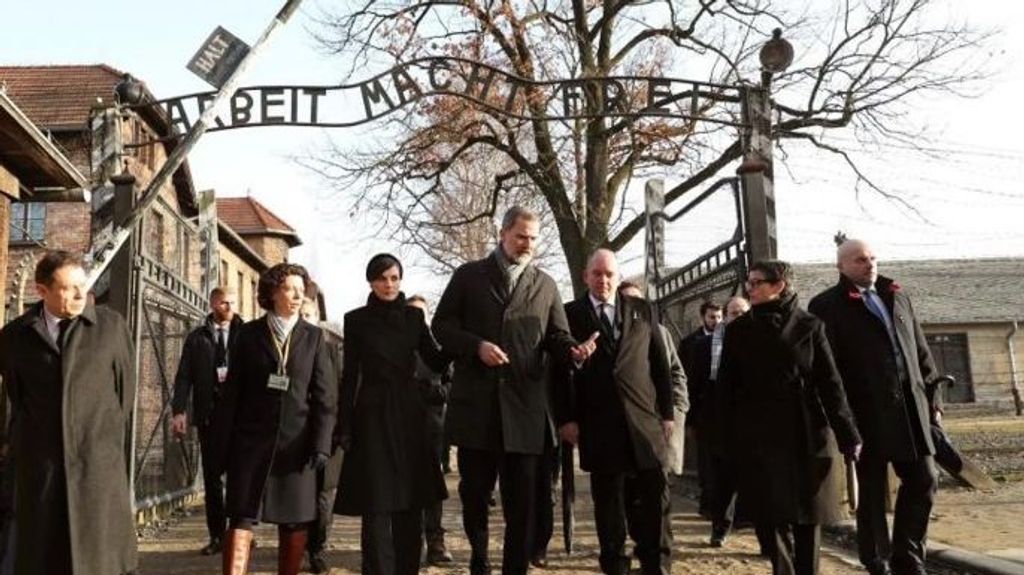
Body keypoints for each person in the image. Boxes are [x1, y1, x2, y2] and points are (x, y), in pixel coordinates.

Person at [433, 206, 596, 575]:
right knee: (474, 495)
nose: (527, 244)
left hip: (525, 410)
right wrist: (476, 346)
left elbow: (556, 334)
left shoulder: (546, 284)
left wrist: (573, 350)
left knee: (522, 502)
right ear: (503, 233)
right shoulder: (469, 276)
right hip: (478, 409)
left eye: (534, 239)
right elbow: (441, 326)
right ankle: (479, 556)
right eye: (521, 236)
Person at [718, 260, 861, 575]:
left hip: (806, 432)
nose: (749, 288)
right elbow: (726, 388)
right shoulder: (739, 331)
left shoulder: (810, 326)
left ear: (778, 285)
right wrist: (723, 435)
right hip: (759, 436)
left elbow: (830, 383)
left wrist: (848, 433)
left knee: (807, 516)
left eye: (756, 283)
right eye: (749, 283)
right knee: (771, 515)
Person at [0, 250, 137, 575]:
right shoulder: (15, 337)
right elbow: (16, 399)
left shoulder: (110, 328)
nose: (80, 294)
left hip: (97, 467)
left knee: (100, 558)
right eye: (68, 287)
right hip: (42, 469)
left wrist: (98, 440)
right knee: (44, 557)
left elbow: (125, 394)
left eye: (82, 285)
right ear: (42, 291)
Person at [808, 240, 940, 575]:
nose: (870, 264)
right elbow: (828, 369)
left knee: (924, 478)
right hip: (866, 414)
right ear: (841, 267)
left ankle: (908, 557)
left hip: (911, 410)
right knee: (871, 491)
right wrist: (843, 421)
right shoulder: (827, 306)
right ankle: (876, 559)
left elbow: (920, 351)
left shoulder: (897, 295)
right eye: (860, 260)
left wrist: (933, 399)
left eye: (872, 258)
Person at [555, 250, 674, 575]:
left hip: (644, 425)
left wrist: (667, 414)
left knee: (653, 503)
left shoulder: (641, 310)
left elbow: (660, 366)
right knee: (609, 508)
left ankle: (656, 565)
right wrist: (566, 418)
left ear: (618, 277)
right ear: (585, 277)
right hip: (599, 426)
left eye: (609, 274)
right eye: (597, 274)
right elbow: (558, 372)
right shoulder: (568, 315)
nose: (603, 280)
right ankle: (615, 566)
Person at [215, 263, 336, 575]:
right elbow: (232, 395)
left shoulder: (313, 338)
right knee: (241, 515)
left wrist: (321, 445)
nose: (297, 296)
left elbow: (325, 398)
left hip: (296, 445)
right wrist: (223, 445)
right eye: (288, 289)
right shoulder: (248, 335)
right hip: (251, 442)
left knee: (295, 519)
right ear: (271, 292)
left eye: (301, 290)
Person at [334, 255, 450, 575]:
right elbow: (351, 375)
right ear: (370, 281)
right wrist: (344, 425)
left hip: (410, 416)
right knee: (376, 502)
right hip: (371, 414)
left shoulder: (414, 318)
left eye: (395, 278)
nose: (389, 284)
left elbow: (436, 361)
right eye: (383, 278)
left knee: (411, 499)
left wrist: (459, 341)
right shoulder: (355, 319)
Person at [171, 286, 244, 556]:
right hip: (209, 417)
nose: (230, 307)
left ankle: (240, 533)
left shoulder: (246, 334)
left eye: (233, 303)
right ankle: (217, 536)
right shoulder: (197, 338)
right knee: (213, 480)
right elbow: (183, 376)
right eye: (225, 302)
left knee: (239, 478)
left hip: (239, 419)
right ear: (213, 304)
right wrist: (179, 410)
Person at [617, 281, 689, 480]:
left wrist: (676, 408)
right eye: (626, 301)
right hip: (627, 425)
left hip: (658, 422)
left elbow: (675, 372)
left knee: (658, 483)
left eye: (637, 301)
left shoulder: (660, 332)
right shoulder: (615, 335)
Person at [406, 294, 455, 567]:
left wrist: (437, 391)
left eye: (421, 314)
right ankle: (406, 540)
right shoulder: (397, 346)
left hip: (432, 425)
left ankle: (435, 541)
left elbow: (452, 383)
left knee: (432, 486)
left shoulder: (438, 348)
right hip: (399, 426)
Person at [299, 284, 344, 574]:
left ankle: (317, 548)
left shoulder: (332, 349)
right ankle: (297, 544)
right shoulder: (285, 349)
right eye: (301, 314)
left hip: (329, 430)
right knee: (300, 493)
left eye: (309, 314)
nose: (304, 319)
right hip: (296, 433)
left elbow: (341, 389)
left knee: (324, 494)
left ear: (317, 317)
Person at [703, 295, 750, 547]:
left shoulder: (762, 341)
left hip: (755, 421)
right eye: (734, 313)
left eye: (743, 312)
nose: (738, 318)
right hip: (722, 422)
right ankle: (720, 527)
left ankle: (766, 537)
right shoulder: (709, 345)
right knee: (723, 480)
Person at [677, 300, 722, 515]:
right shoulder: (689, 343)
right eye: (712, 317)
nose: (716, 321)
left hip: (721, 409)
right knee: (705, 462)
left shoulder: (729, 339)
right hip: (701, 408)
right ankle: (707, 504)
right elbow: (687, 379)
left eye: (719, 317)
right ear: (703, 317)